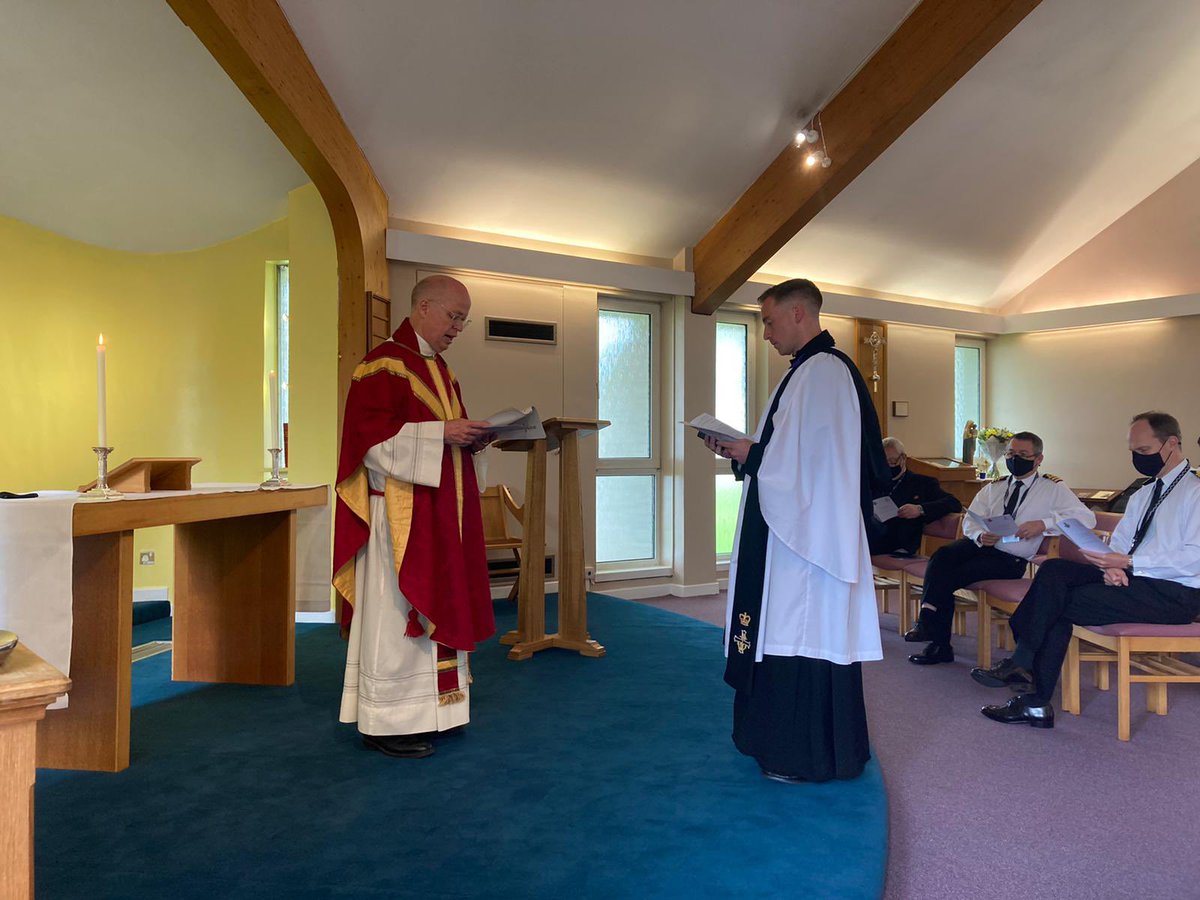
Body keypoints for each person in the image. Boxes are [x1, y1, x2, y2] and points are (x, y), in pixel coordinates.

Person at [706, 278, 890, 783]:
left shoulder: (824, 373)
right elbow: (796, 454)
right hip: (794, 530)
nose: (765, 333)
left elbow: (816, 466)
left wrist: (751, 453)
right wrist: (750, 452)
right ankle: (783, 743)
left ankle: (801, 755)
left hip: (808, 544)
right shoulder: (807, 372)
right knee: (782, 632)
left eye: (767, 321)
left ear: (798, 315)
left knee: (798, 634)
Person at [333, 274, 496, 758]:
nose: (459, 327)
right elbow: (369, 444)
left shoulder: (442, 372)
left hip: (438, 515)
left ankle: (436, 711)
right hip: (398, 521)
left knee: (437, 608)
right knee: (395, 616)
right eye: (454, 316)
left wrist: (471, 440)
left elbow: (444, 435)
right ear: (423, 307)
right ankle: (386, 722)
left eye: (463, 319)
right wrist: (440, 435)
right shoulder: (382, 366)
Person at [972, 411, 1200, 728]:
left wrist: (1131, 563)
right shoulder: (1144, 493)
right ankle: (1024, 672)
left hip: (1174, 593)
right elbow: (1121, 542)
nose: (1137, 458)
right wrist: (1111, 564)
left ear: (1172, 443)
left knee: (1059, 605)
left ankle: (1031, 687)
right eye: (1133, 451)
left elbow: (1195, 558)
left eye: (1144, 451)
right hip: (1134, 578)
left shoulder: (1195, 491)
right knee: (1054, 571)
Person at [904, 431, 1094, 666]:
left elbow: (1086, 518)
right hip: (983, 545)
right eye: (1011, 453)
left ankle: (937, 640)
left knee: (950, 575)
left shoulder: (1052, 488)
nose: (1015, 459)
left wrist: (1043, 525)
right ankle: (929, 625)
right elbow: (971, 520)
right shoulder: (995, 487)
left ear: (1038, 459)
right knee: (943, 555)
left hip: (1010, 558)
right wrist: (980, 535)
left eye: (1023, 454)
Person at [868, 437, 962, 556]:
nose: (889, 466)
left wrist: (920, 509)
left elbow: (954, 503)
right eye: (884, 463)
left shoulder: (922, 483)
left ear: (903, 458)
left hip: (900, 542)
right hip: (874, 537)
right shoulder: (875, 484)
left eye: (892, 461)